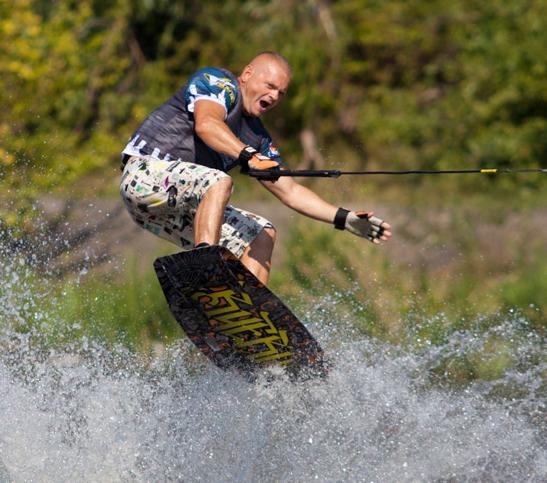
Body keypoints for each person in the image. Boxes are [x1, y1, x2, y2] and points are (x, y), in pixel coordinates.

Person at [120, 51, 392, 285]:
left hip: (174, 210)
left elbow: (290, 191)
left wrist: (343, 218)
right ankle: (206, 274)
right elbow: (207, 124)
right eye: (270, 85)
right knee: (218, 182)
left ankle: (247, 318)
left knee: (262, 233)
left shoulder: (258, 137)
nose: (274, 96)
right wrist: (248, 155)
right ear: (247, 74)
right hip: (144, 177)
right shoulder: (218, 83)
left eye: (281, 93)